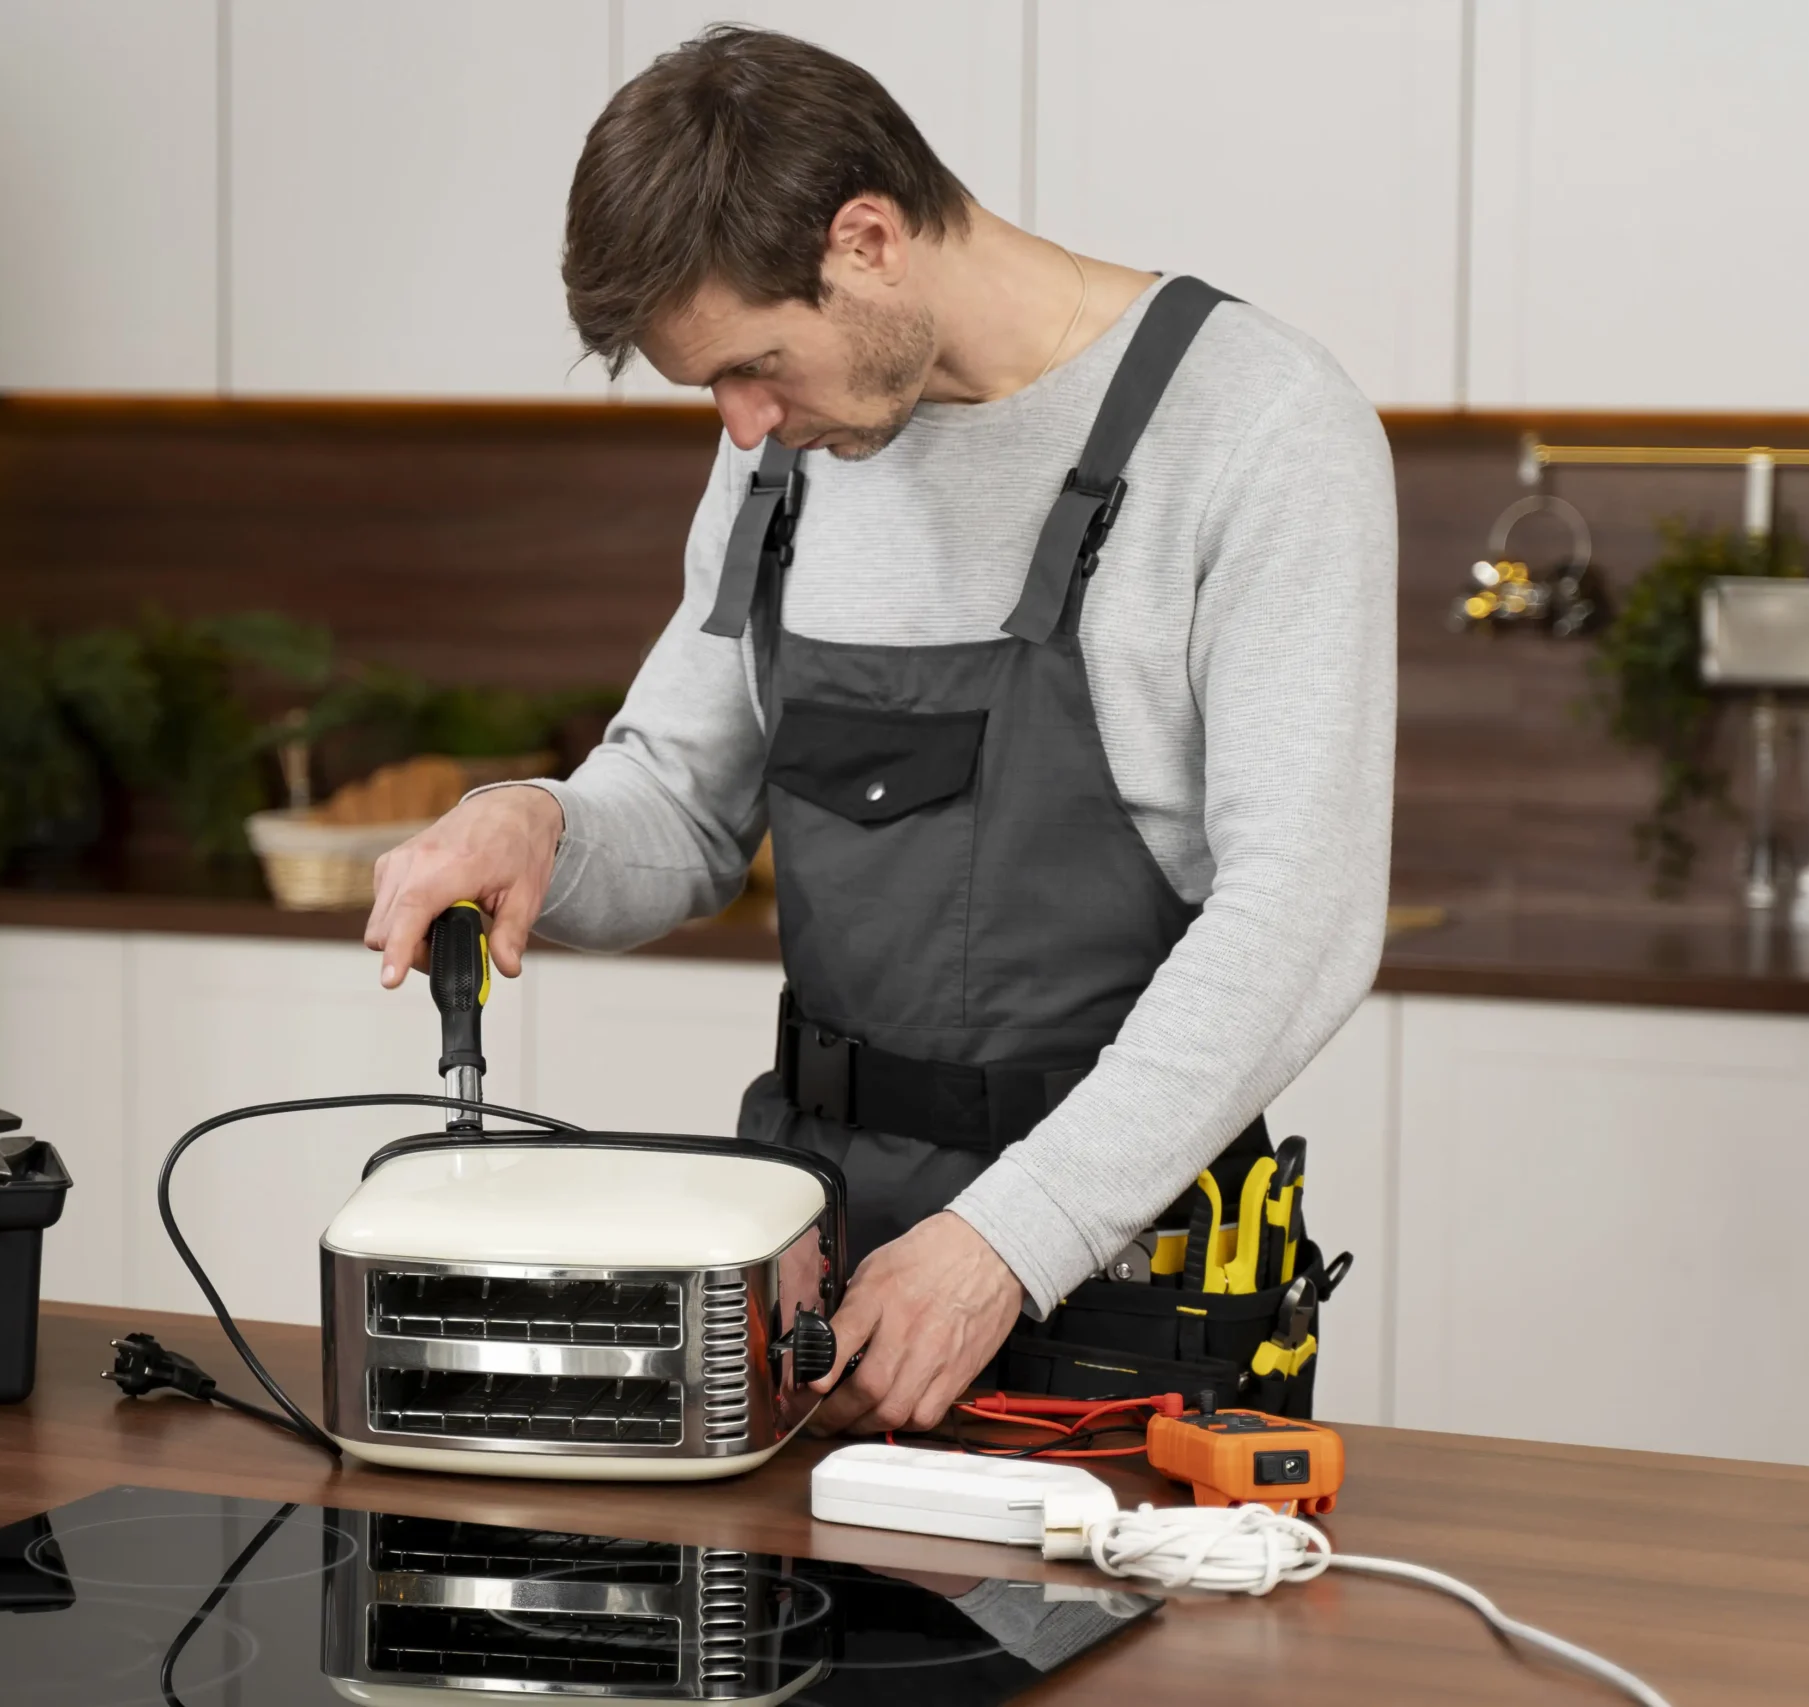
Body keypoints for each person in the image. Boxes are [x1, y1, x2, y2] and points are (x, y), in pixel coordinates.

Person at [365, 26, 1393, 1436]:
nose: (739, 427)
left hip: (1114, 1285)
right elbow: (679, 796)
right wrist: (537, 820)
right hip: (810, 1251)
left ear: (866, 239)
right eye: (711, 389)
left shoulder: (1257, 429)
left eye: (754, 365)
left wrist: (1008, 1238)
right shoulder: (792, 454)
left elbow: (1303, 913)